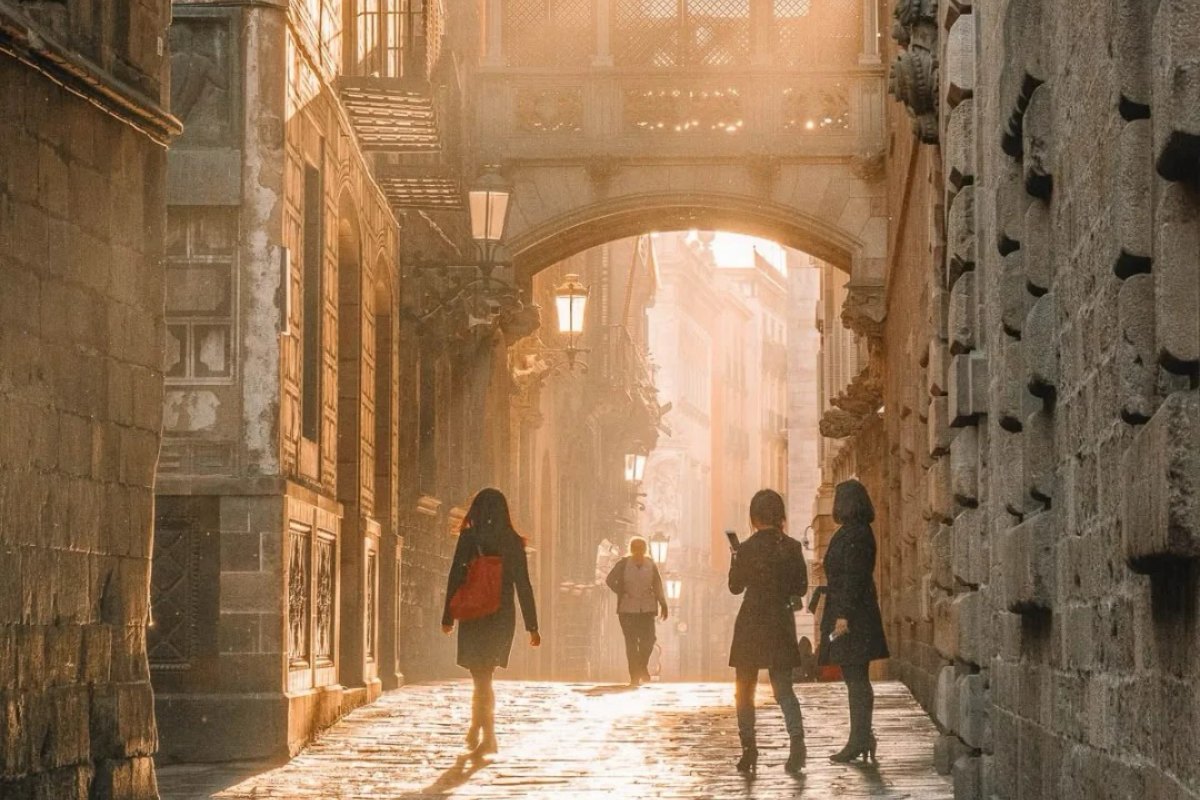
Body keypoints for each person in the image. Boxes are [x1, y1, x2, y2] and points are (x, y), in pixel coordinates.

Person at [442, 489, 540, 757]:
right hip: (501, 615)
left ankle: (485, 732)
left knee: (480, 677)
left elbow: (456, 574)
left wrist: (448, 616)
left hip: (475, 612)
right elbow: (524, 585)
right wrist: (532, 626)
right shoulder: (512, 541)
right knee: (486, 676)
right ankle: (482, 729)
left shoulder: (469, 537)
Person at [728, 489, 809, 775]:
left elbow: (736, 586)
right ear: (780, 515)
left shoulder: (746, 548)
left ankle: (749, 749)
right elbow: (800, 587)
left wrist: (735, 557)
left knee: (745, 689)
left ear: (754, 517)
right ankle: (797, 743)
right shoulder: (792, 547)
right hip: (779, 621)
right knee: (784, 689)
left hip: (751, 621)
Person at [819, 479, 889, 764]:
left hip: (854, 617)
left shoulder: (857, 535)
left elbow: (854, 577)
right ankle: (862, 737)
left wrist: (843, 616)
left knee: (857, 679)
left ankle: (859, 739)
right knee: (855, 678)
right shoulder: (854, 533)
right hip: (853, 613)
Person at [605, 536, 668, 686]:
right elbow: (609, 580)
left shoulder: (650, 564)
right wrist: (621, 590)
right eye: (636, 549)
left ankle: (641, 666)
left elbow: (657, 584)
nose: (639, 551)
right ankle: (634, 675)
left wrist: (663, 603)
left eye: (641, 549)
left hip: (647, 609)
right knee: (631, 643)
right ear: (632, 550)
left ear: (645, 550)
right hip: (627, 609)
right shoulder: (623, 564)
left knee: (649, 640)